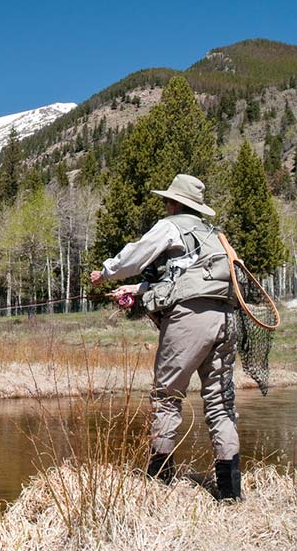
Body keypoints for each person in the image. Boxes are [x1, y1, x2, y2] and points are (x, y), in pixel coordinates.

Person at [89, 173, 241, 500]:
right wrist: (137, 289)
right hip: (227, 319)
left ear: (174, 203)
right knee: (219, 403)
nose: (165, 205)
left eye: (167, 200)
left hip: (189, 321)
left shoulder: (171, 226)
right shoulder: (214, 235)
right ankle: (231, 493)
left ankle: (160, 479)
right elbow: (184, 278)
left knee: (166, 396)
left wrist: (105, 273)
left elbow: (134, 256)